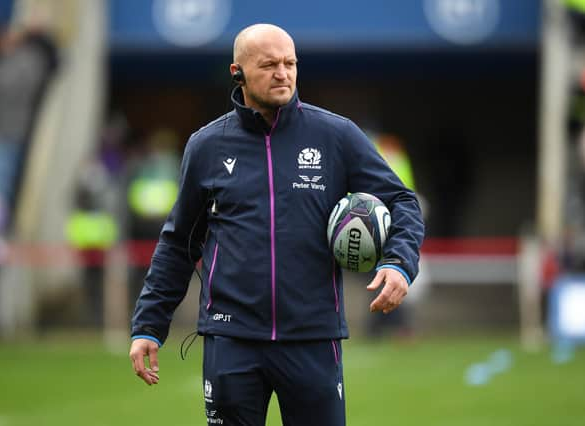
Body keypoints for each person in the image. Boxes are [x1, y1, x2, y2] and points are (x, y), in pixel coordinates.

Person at [129, 23, 424, 426]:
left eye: (290, 63)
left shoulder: (335, 136)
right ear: (238, 72)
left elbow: (402, 200)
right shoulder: (207, 146)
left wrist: (398, 263)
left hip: (312, 338)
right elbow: (179, 242)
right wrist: (149, 324)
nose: (282, 73)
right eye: (269, 64)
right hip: (230, 339)